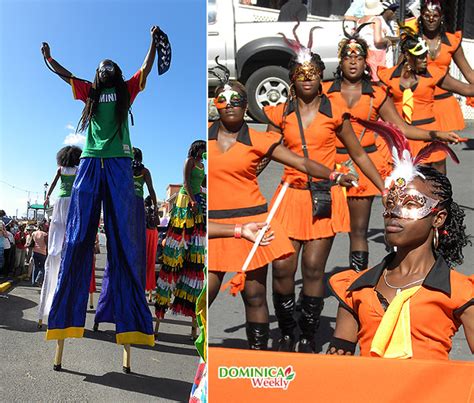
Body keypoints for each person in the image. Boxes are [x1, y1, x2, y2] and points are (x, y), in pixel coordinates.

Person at [208, 57, 359, 350]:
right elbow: (201, 170)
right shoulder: (275, 117)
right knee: (213, 290)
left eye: (237, 98)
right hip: (222, 223)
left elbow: (299, 160)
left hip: (281, 210)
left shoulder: (259, 137)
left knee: (271, 286)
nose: (229, 103)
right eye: (222, 98)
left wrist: (335, 174)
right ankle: (285, 329)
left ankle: (294, 340)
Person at [263, 25, 384, 353]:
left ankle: (308, 332)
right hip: (289, 198)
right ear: (292, 78)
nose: (306, 78)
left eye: (312, 73)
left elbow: (357, 153)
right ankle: (287, 326)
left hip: (322, 200)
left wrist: (383, 186)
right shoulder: (281, 114)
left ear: (320, 76)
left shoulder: (335, 111)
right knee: (282, 268)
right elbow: (262, 152)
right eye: (300, 73)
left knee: (314, 269)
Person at [41, 26, 160, 347]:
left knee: (124, 242)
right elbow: (65, 75)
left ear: (116, 73)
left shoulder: (125, 91)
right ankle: (65, 317)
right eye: (100, 67)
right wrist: (49, 59)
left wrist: (152, 42)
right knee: (78, 238)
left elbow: (145, 68)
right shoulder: (90, 92)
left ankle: (130, 319)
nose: (105, 69)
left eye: (109, 66)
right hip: (92, 161)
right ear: (96, 75)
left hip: (120, 163)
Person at [328, 119, 474, 359]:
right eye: (391, 203)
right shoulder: (357, 287)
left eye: (410, 204)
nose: (394, 212)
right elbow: (335, 367)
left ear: (438, 218)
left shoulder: (459, 290)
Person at [325, 26, 460, 273]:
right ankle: (309, 292)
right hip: (327, 166)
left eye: (358, 57)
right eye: (348, 57)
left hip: (362, 168)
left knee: (358, 231)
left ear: (365, 62)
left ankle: (358, 284)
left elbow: (401, 128)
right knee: (324, 233)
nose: (353, 62)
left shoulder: (376, 93)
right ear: (340, 61)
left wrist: (435, 134)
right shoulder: (324, 92)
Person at [377, 26, 474, 174]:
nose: (425, 60)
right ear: (407, 56)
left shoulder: (433, 74)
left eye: (425, 55)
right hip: (399, 135)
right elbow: (373, 106)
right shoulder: (387, 77)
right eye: (420, 56)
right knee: (399, 187)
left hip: (429, 134)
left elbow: (467, 90)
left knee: (437, 186)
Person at [417, 0, 474, 174]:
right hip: (420, 105)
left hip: (442, 108)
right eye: (427, 16)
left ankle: (442, 198)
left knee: (438, 160)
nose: (431, 19)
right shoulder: (413, 41)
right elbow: (399, 72)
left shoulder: (451, 42)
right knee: (420, 159)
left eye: (435, 16)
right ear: (421, 18)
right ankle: (420, 198)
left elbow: (469, 73)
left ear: (441, 18)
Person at [155, 140, 207, 328]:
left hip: (199, 202)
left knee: (195, 258)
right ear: (197, 148)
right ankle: (160, 311)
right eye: (203, 148)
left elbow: (202, 184)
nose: (204, 152)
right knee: (177, 250)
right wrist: (193, 201)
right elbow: (186, 182)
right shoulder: (190, 161)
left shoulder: (202, 165)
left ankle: (193, 318)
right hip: (186, 201)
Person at [37, 146, 81, 325]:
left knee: (55, 243)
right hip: (72, 203)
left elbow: (54, 184)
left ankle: (43, 312)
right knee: (68, 236)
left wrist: (47, 197)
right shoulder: (78, 170)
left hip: (60, 202)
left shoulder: (60, 169)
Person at [357, 0, 396, 80]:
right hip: (377, 54)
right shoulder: (375, 20)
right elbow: (377, 40)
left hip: (364, 52)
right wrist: (387, 40)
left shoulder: (360, 21)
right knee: (379, 79)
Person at [145, 195, 159, 302]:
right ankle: (150, 293)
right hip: (154, 234)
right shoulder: (155, 210)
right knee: (151, 263)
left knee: (143, 263)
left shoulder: (142, 210)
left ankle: (142, 289)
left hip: (145, 234)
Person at [31, 222, 48, 287]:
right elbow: (46, 244)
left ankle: (33, 282)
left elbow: (31, 242)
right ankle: (38, 280)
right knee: (42, 267)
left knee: (35, 267)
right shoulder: (45, 234)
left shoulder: (33, 233)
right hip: (42, 252)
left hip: (35, 251)